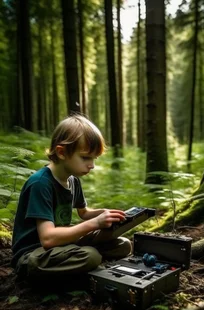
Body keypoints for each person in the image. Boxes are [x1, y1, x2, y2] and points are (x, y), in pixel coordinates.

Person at [11, 114, 132, 287]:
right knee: (91, 256)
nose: (92, 165)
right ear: (61, 152)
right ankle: (82, 275)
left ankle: (80, 267)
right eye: (85, 157)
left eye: (94, 159)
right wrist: (95, 223)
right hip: (33, 254)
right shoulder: (40, 183)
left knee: (123, 245)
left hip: (62, 247)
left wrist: (107, 214)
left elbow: (84, 213)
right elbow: (48, 239)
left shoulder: (72, 180)